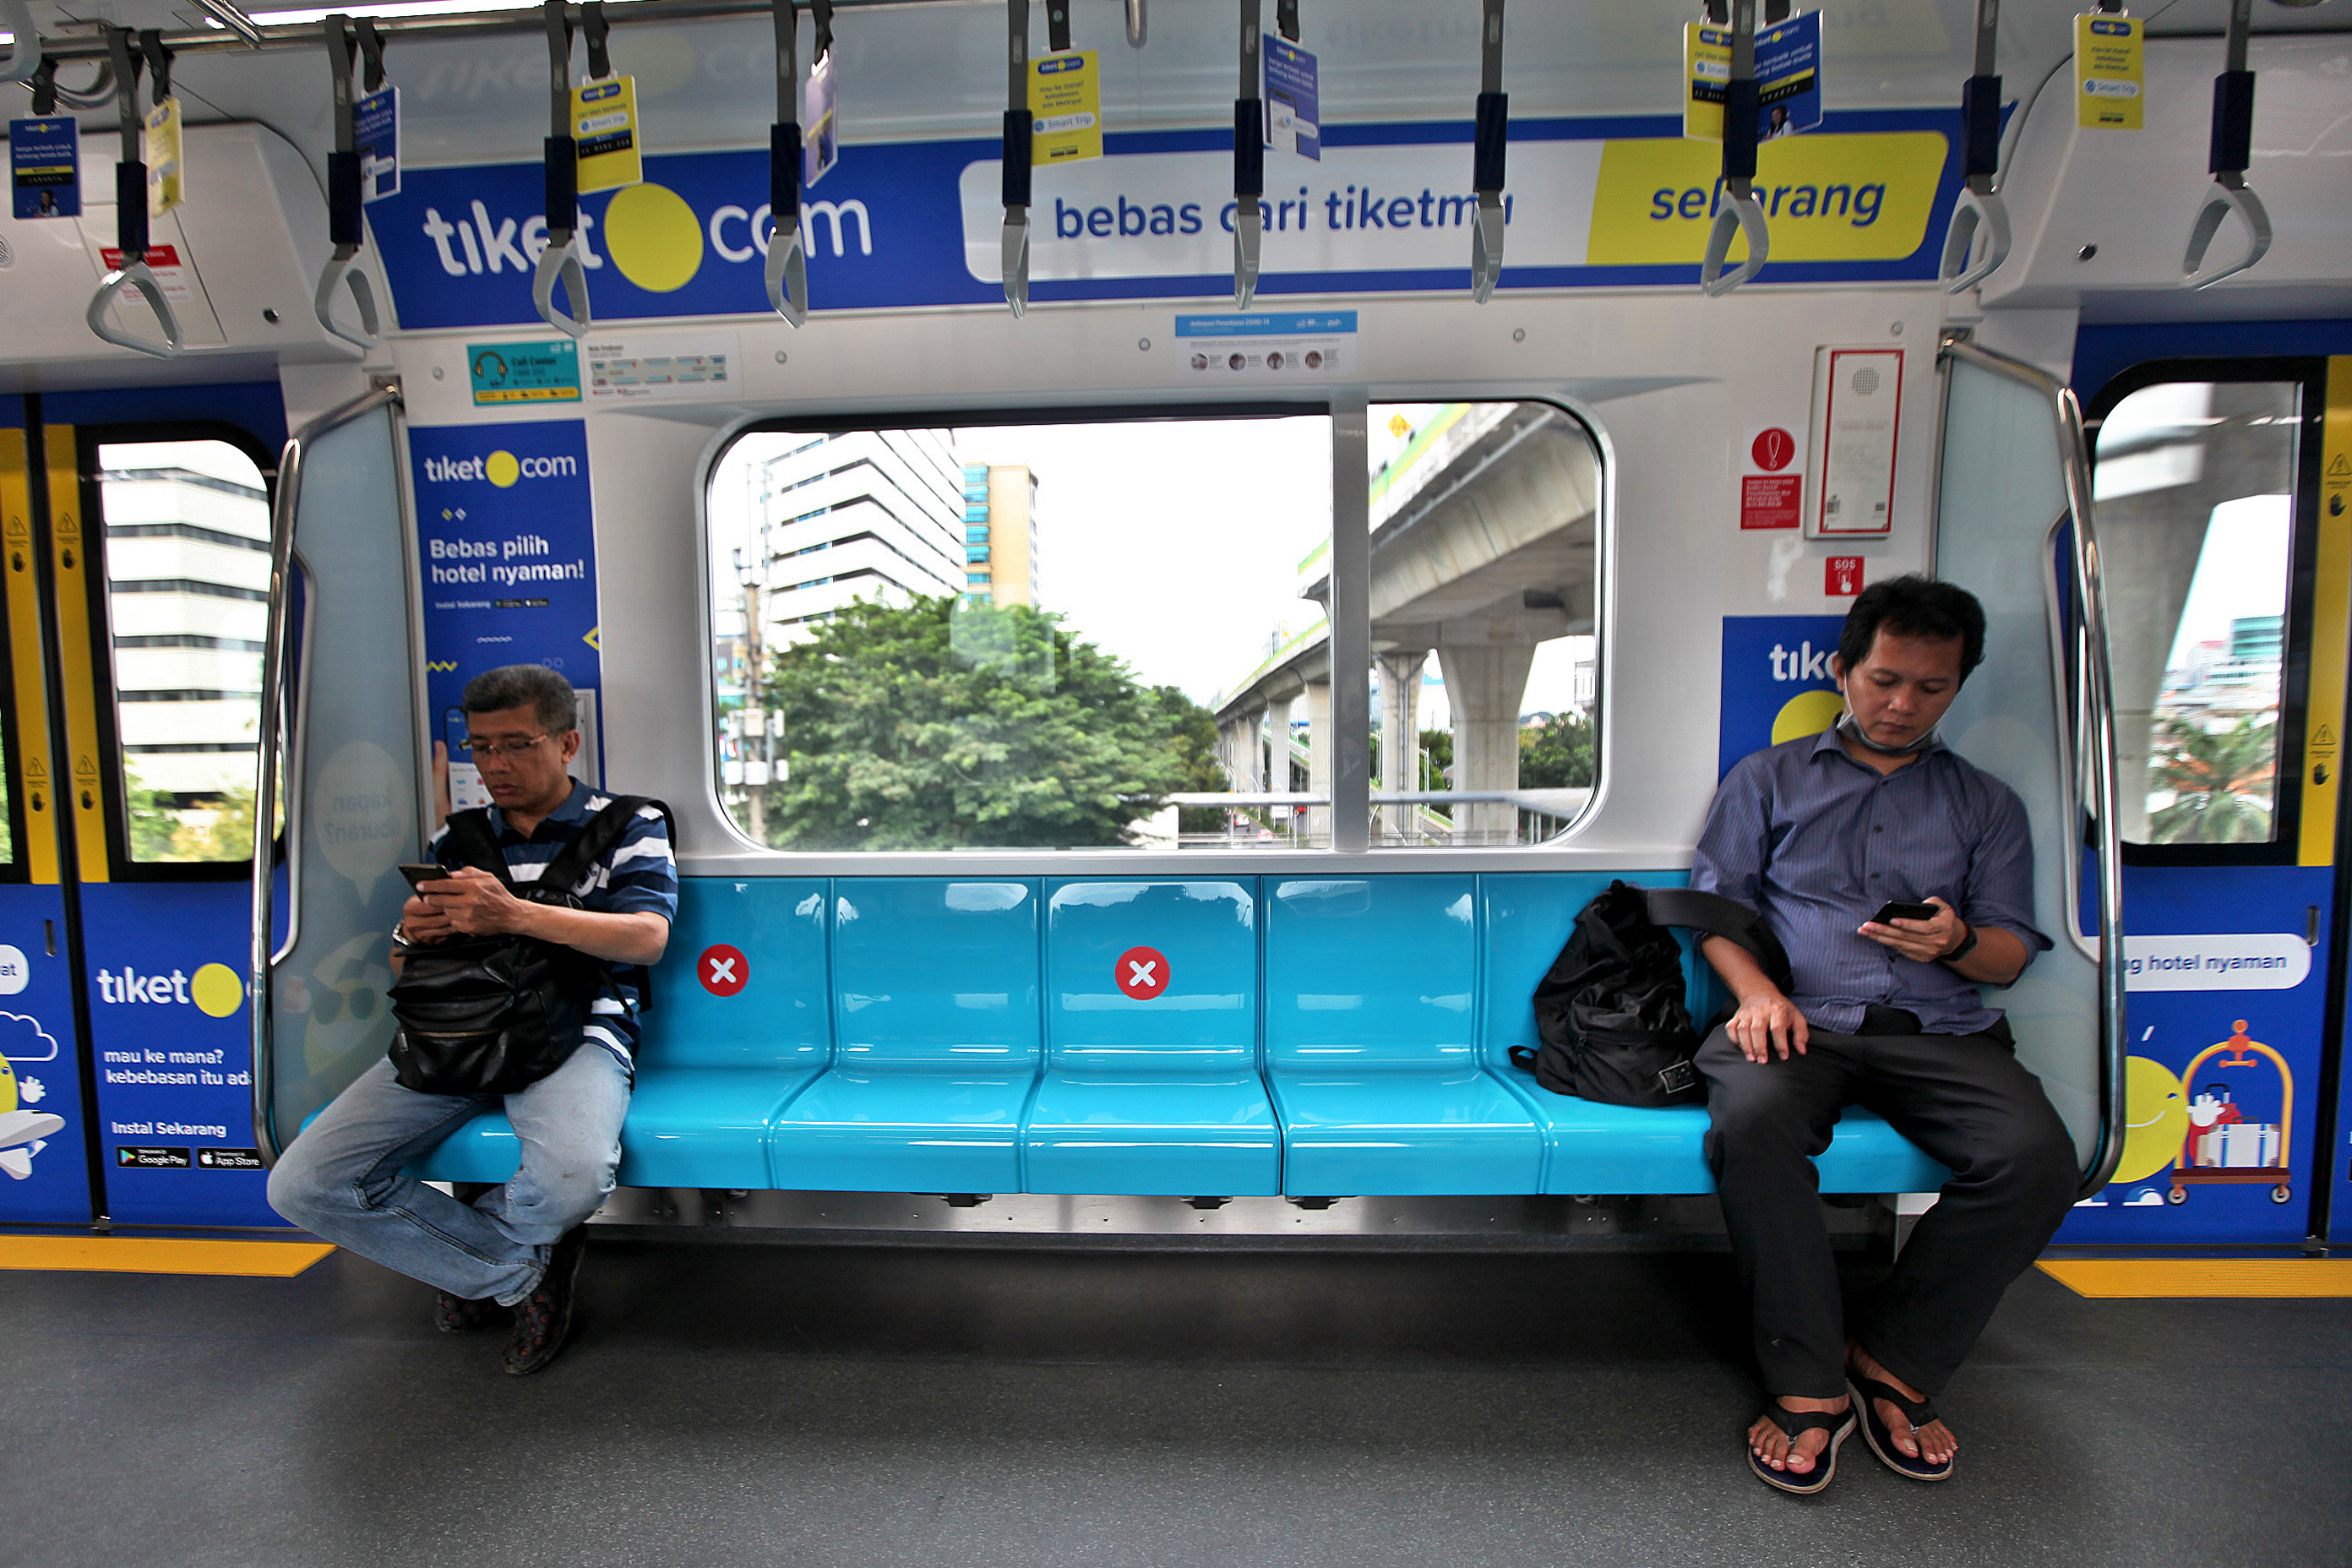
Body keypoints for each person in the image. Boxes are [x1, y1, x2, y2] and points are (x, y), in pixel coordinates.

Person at [1690, 575, 2077, 1493]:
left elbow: (2010, 952)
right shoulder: (1767, 778)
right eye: (1884, 679)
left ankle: (1895, 1357)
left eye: (1930, 687)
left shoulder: (1987, 805)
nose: (1902, 704)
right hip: (1799, 1023)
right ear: (1843, 670)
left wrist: (1958, 941)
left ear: (1959, 686)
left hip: (1941, 1029)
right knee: (1753, 1128)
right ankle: (1806, 1379)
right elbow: (1717, 910)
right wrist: (1755, 992)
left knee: (2038, 1160)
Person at [268, 666, 676, 1375]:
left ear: (567, 742)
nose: (496, 765)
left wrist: (515, 914)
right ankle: (514, 1270)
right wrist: (409, 940)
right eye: (482, 748)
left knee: (574, 1178)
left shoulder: (631, 824)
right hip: (457, 1025)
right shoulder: (455, 840)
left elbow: (646, 938)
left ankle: (467, 1261)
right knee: (300, 1184)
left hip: (576, 1030)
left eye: (516, 745)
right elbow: (406, 970)